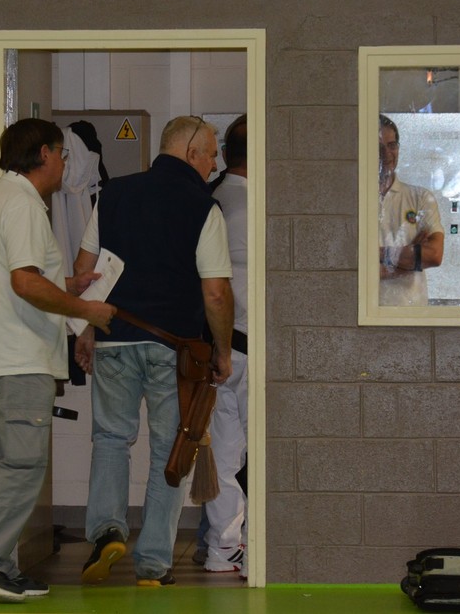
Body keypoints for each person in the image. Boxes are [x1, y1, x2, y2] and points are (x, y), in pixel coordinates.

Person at [0, 118, 116, 602]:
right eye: (62, 153)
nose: (65, 162)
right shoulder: (22, 204)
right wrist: (86, 310)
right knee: (22, 465)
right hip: (15, 360)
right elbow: (24, 283)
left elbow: (17, 279)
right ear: (43, 153)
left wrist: (69, 285)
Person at [72, 115, 234, 587]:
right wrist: (223, 351)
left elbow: (85, 272)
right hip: (175, 349)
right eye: (211, 154)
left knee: (110, 437)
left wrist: (86, 330)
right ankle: (154, 565)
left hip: (115, 336)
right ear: (190, 152)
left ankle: (106, 532)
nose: (214, 164)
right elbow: (216, 294)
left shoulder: (113, 194)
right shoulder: (204, 207)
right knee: (171, 446)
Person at [202, 114, 249, 578]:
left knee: (223, 454)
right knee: (253, 452)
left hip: (217, 347)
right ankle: (250, 546)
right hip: (247, 346)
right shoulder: (251, 206)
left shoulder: (212, 198)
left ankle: (223, 547)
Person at [378, 114, 445, 305]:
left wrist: (377, 254)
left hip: (411, 313)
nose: (387, 153)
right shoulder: (356, 201)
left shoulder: (421, 198)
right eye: (379, 147)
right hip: (367, 314)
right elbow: (355, 267)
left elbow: (434, 255)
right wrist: (411, 256)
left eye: (392, 145)